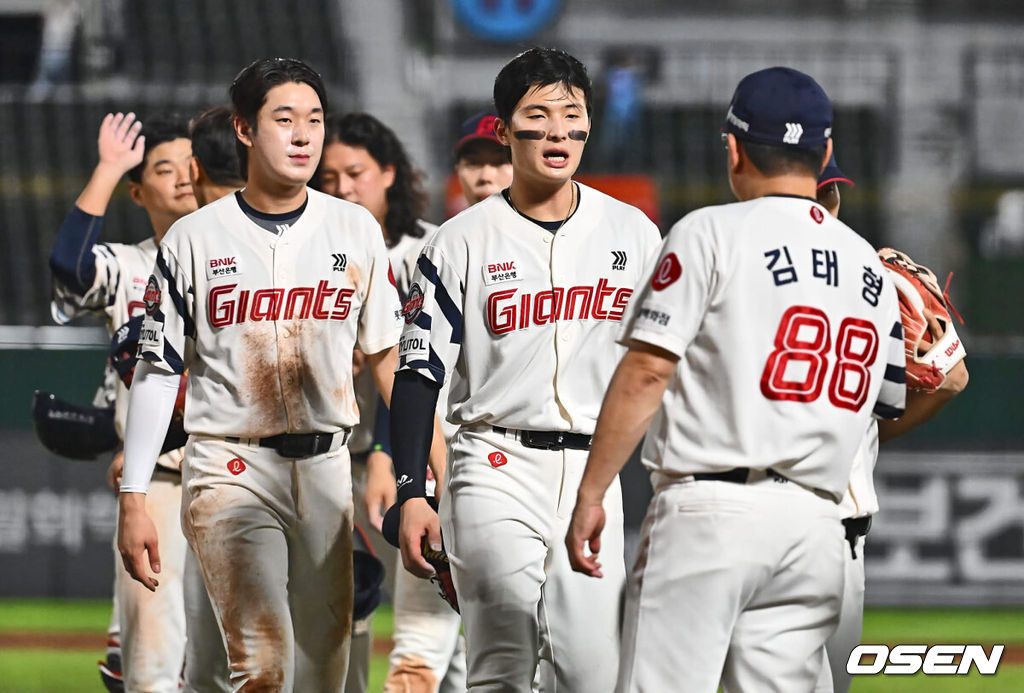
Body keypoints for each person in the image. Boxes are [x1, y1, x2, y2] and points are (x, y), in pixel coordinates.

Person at [565, 66, 908, 693]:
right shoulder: (870, 266)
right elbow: (887, 407)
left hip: (711, 515)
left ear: (733, 147)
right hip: (816, 530)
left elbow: (646, 371)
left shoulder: (707, 233)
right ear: (826, 151)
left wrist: (592, 494)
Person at [115, 57, 407, 691]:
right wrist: (134, 497)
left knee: (325, 670)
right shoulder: (193, 239)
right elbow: (158, 371)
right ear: (245, 130)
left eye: (315, 120)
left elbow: (389, 359)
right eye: (284, 119)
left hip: (329, 470)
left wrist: (427, 472)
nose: (304, 135)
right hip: (230, 466)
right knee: (263, 667)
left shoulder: (354, 228)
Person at [390, 47, 662, 691]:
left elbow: (668, 360)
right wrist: (410, 489)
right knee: (502, 660)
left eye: (572, 114)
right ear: (505, 129)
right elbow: (417, 372)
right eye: (537, 115)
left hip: (593, 472)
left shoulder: (635, 234)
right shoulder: (461, 240)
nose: (558, 131)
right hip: (493, 462)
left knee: (591, 675)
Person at [49, 111, 197, 693]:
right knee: (152, 665)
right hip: (158, 480)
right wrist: (110, 167)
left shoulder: (247, 257)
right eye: (165, 170)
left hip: (241, 473)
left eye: (193, 167)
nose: (184, 179)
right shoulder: (132, 266)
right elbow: (71, 267)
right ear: (140, 192)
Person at [813, 156, 969, 693]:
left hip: (751, 521)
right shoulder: (874, 279)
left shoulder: (729, 262)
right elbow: (952, 380)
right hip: (840, 533)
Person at [452, 111, 513, 206]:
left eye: (500, 162)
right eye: (473, 163)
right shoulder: (453, 221)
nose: (485, 177)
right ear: (458, 172)